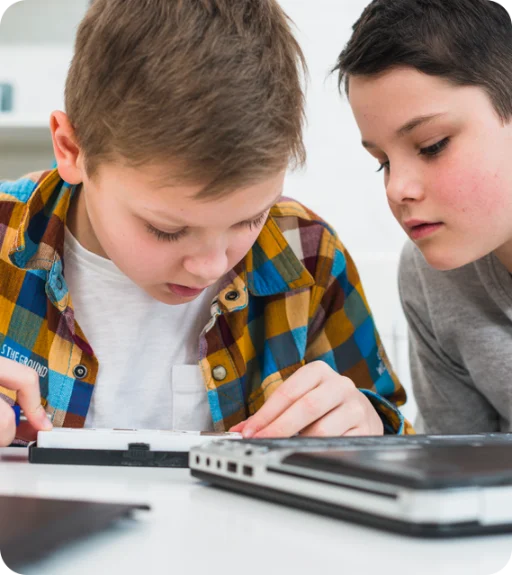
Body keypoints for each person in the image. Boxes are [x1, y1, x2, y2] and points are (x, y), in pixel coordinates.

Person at [0, 0, 410, 447]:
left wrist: (370, 428)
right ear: (72, 150)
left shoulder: (310, 258)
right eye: (167, 229)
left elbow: (399, 441)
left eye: (250, 218)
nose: (211, 266)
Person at [334, 0, 512, 432]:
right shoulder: (431, 274)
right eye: (383, 162)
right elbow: (457, 471)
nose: (396, 189)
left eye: (432, 145)